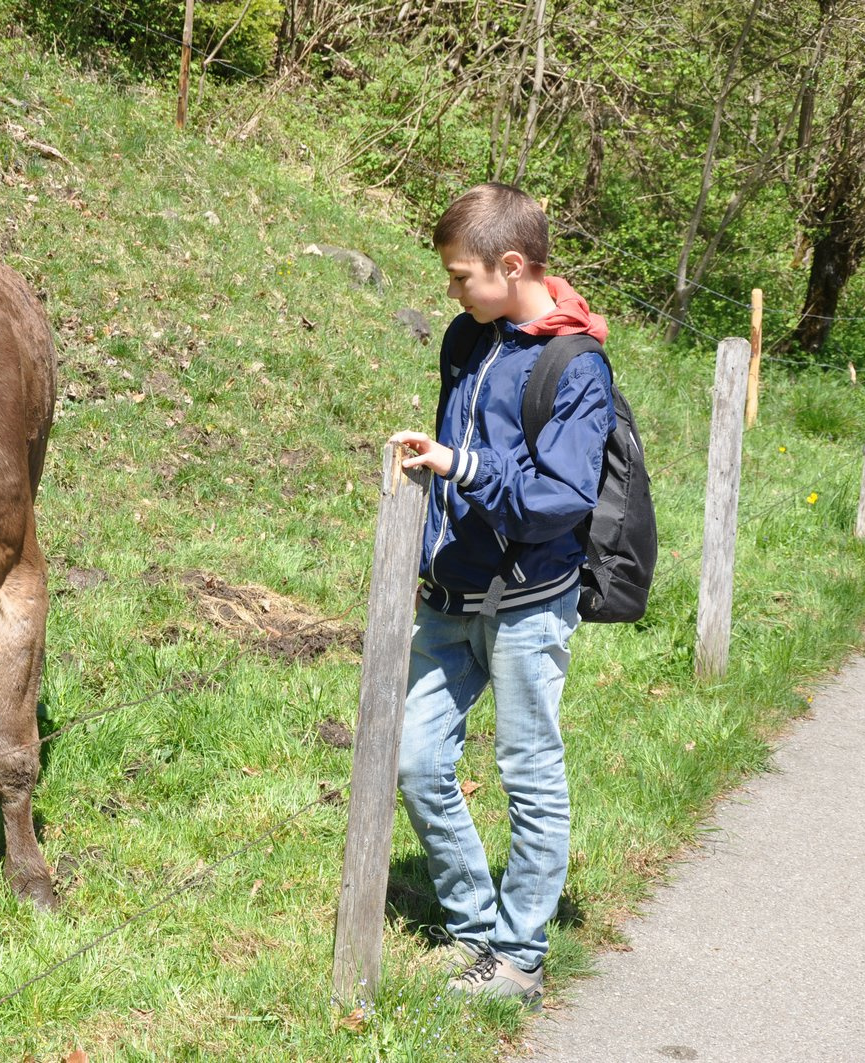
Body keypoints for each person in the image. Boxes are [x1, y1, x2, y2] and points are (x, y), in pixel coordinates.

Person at [387, 182, 614, 1012]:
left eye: (459, 277)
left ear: (510, 265)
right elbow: (465, 436)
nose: (450, 293)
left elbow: (563, 496)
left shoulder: (575, 364)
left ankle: (519, 958)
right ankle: (475, 925)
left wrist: (464, 468)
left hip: (529, 601)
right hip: (450, 591)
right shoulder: (466, 336)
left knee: (528, 775)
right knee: (414, 761)